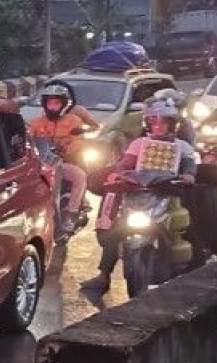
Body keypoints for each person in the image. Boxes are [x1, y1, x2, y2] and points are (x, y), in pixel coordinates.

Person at [81, 100, 197, 294]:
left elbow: (189, 167)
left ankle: (186, 269)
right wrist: (119, 172)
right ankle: (103, 276)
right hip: (138, 193)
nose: (158, 126)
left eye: (163, 122)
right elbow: (126, 163)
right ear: (148, 124)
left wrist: (189, 175)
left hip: (166, 194)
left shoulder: (183, 147)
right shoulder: (139, 144)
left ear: (173, 124)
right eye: (154, 122)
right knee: (115, 232)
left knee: (185, 225)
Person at [27, 84, 90, 233]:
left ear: (64, 104)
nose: (52, 107)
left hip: (64, 162)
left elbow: (79, 141)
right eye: (49, 103)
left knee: (79, 176)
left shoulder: (74, 121)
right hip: (42, 164)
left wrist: (66, 149)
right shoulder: (36, 122)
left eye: (56, 103)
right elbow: (28, 138)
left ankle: (71, 213)